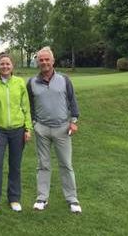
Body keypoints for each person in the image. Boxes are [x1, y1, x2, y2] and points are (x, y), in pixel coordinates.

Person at [27, 47, 82, 213]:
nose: (44, 62)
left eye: (47, 60)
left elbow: (72, 101)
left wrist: (73, 120)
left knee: (66, 164)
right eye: (41, 60)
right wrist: (34, 123)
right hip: (41, 129)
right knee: (43, 165)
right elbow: (29, 106)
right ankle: (42, 198)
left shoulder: (64, 79)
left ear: (53, 61)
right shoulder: (31, 82)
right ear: (38, 62)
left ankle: (72, 199)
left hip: (62, 129)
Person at [0, 54, 32, 216]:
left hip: (18, 129)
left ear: (12, 66)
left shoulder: (19, 83)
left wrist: (28, 128)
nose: (5, 66)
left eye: (7, 64)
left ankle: (14, 199)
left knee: (15, 165)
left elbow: (26, 108)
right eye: (2, 64)